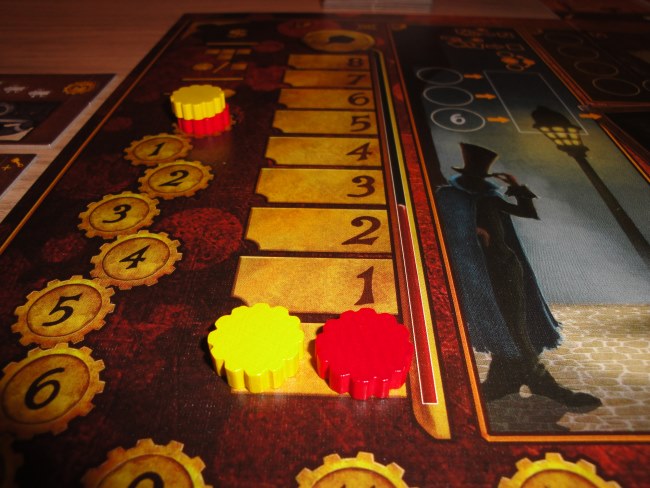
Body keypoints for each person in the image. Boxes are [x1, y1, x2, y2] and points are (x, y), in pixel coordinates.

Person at [435, 143, 600, 407]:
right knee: (509, 328)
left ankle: (512, 380)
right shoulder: (450, 197)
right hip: (478, 273)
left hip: (506, 268)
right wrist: (471, 231)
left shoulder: (489, 197)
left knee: (515, 326)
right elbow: (444, 227)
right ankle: (530, 381)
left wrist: (516, 186)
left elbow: (527, 212)